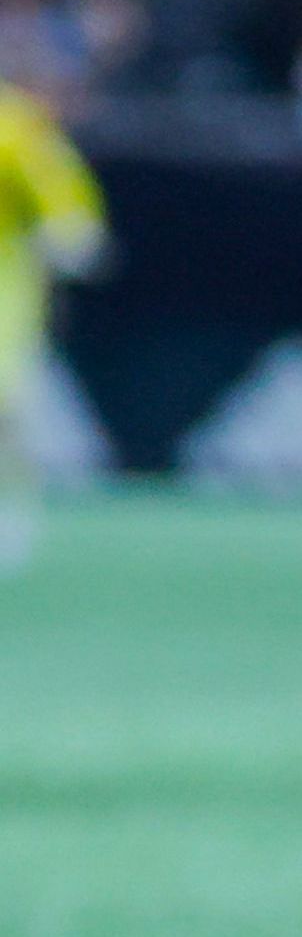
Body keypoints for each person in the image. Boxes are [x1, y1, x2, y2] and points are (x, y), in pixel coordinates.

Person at [0, 78, 108, 571]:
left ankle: (11, 509)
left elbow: (63, 198)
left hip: (5, 283)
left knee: (7, 403)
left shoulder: (14, 125)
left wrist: (71, 234)